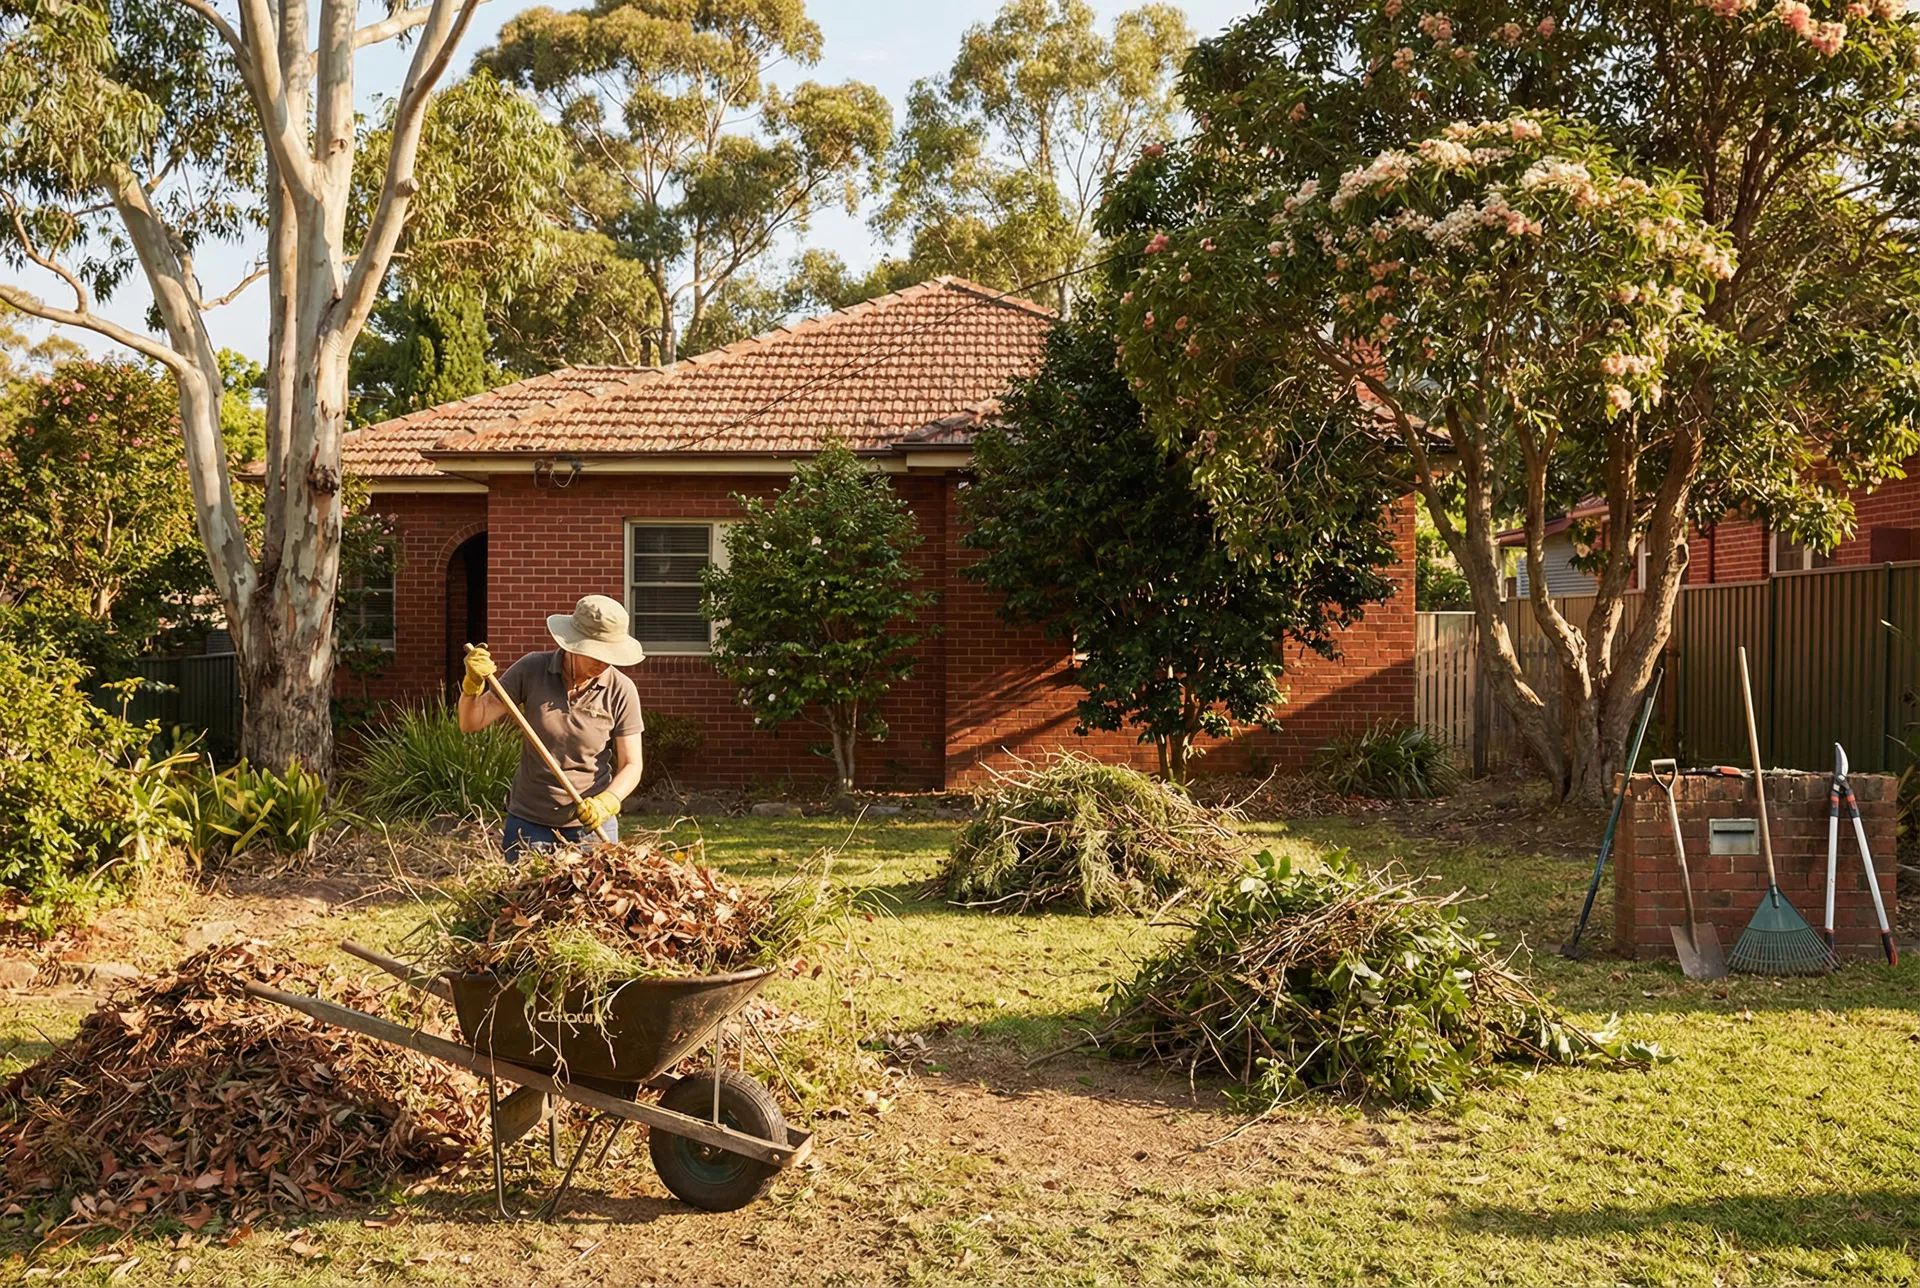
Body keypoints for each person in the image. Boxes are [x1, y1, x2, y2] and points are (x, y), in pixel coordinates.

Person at [459, 594, 646, 861]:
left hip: (591, 828)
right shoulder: (532, 670)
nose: (604, 662)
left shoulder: (621, 690)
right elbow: (471, 722)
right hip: (530, 824)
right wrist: (471, 687)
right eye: (596, 652)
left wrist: (608, 802)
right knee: (524, 902)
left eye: (610, 654)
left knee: (591, 902)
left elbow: (632, 764)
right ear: (574, 643)